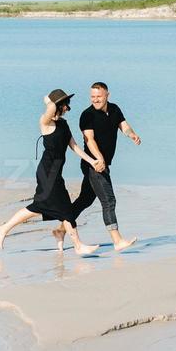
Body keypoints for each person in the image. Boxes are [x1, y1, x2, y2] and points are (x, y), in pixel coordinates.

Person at [0, 89, 104, 256]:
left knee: (43, 207)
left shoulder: (63, 124)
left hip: (56, 172)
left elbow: (74, 146)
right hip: (47, 172)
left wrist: (92, 161)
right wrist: (50, 100)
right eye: (66, 104)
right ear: (59, 105)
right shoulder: (45, 122)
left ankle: (5, 228)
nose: (68, 108)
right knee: (62, 209)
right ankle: (77, 245)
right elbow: (50, 106)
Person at [70, 82, 141, 252]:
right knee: (109, 200)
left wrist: (132, 134)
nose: (95, 100)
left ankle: (61, 228)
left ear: (107, 95)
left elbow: (123, 125)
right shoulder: (87, 115)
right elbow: (89, 140)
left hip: (103, 163)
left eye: (99, 96)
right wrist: (99, 159)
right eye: (92, 97)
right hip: (93, 164)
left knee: (85, 200)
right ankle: (117, 240)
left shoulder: (115, 109)